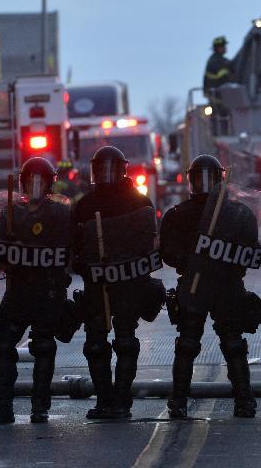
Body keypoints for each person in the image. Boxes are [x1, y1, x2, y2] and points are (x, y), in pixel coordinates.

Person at [160, 154, 260, 418]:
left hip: (209, 287)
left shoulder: (181, 213)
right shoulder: (236, 213)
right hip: (211, 286)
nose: (205, 184)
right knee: (211, 344)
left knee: (217, 344)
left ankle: (183, 401)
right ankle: (242, 401)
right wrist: (193, 260)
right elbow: (168, 252)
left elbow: (250, 252)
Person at [72, 146, 159, 420]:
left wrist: (123, 260)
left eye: (113, 169)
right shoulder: (85, 204)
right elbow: (73, 246)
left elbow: (147, 244)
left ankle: (122, 400)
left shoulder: (138, 201)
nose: (107, 175)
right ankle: (103, 399)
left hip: (128, 286)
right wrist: (86, 264)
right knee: (95, 344)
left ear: (123, 170)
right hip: (97, 287)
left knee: (125, 342)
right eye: (102, 169)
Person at [0, 158, 72, 424]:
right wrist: (8, 246)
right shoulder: (12, 213)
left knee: (44, 346)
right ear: (23, 182)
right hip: (18, 291)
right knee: (3, 345)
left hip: (46, 291)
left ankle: (40, 406)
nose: (35, 186)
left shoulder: (59, 213)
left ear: (49, 184)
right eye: (31, 180)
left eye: (40, 181)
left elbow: (68, 251)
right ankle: (3, 405)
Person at [204, 36, 235, 136]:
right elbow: (223, 77)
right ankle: (221, 134)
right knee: (220, 117)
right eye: (223, 46)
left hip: (219, 95)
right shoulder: (215, 61)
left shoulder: (220, 60)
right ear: (218, 48)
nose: (225, 48)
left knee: (223, 116)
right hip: (217, 96)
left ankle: (223, 133)